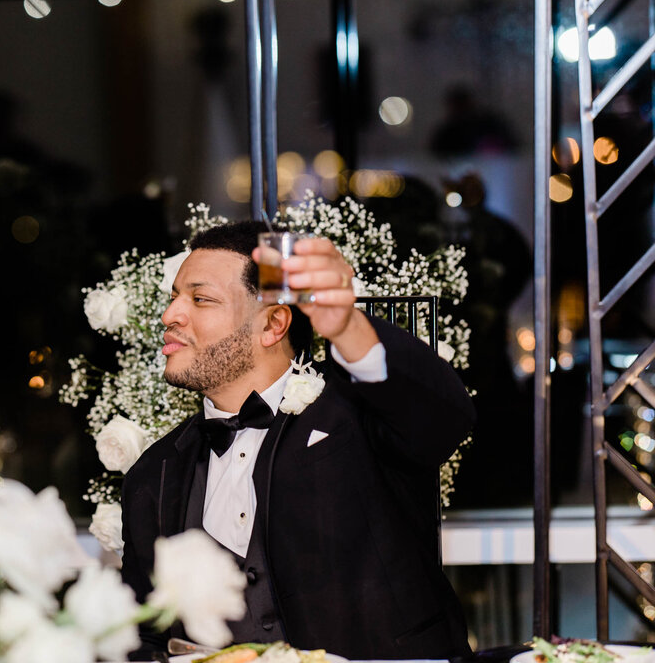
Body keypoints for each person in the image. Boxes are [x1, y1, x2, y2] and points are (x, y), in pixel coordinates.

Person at [120, 222, 474, 660]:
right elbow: (141, 635)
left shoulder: (357, 416)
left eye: (200, 298)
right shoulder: (153, 473)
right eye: (174, 296)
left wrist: (349, 327)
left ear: (272, 325)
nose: (170, 315)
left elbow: (445, 418)